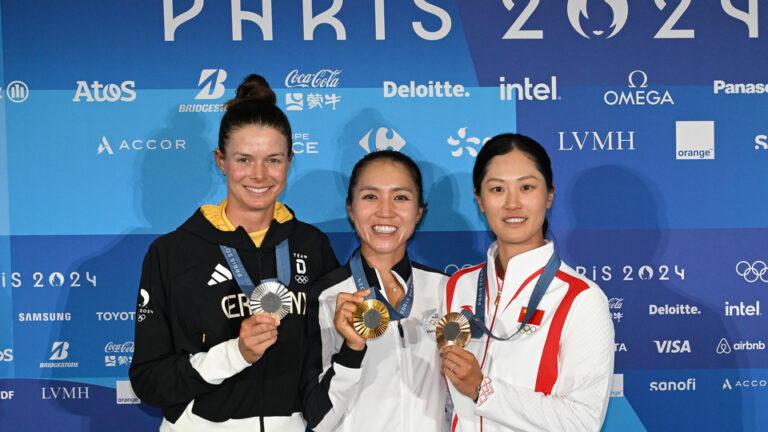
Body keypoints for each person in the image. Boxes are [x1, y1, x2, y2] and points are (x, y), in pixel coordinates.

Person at [129, 74, 339, 431]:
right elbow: (148, 380)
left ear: (290, 161)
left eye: (273, 160)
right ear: (221, 161)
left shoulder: (312, 245)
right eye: (244, 159)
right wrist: (234, 355)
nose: (259, 175)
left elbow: (329, 356)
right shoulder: (172, 252)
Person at [441, 133, 614, 431]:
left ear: (548, 195)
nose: (512, 203)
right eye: (497, 189)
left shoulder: (580, 297)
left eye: (526, 187)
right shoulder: (459, 285)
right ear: (480, 200)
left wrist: (483, 390)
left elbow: (583, 421)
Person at [301, 150, 449, 431]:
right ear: (350, 208)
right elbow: (317, 420)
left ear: (418, 211)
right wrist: (352, 350)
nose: (385, 211)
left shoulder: (446, 290)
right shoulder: (324, 296)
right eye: (370, 196)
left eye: (401, 197)